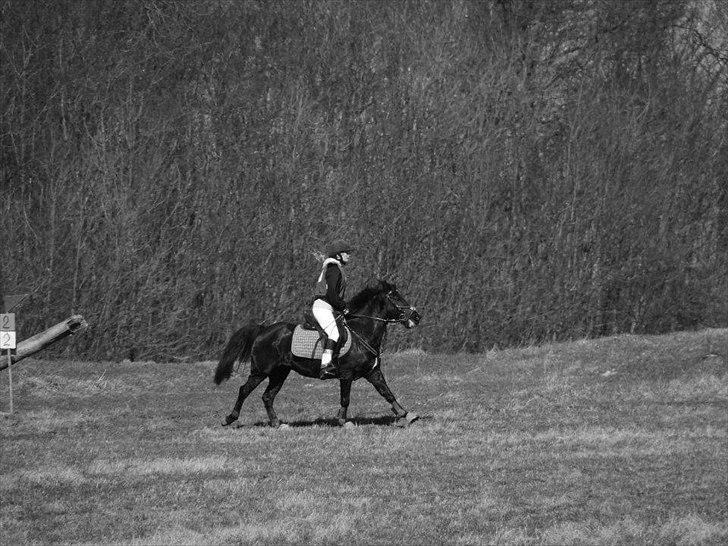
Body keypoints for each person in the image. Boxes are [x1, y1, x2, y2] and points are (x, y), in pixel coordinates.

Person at [312, 239, 351, 379]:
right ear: (338, 255)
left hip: (327, 307)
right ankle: (325, 366)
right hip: (323, 307)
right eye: (346, 253)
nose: (348, 255)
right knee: (334, 333)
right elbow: (332, 295)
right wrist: (343, 307)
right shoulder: (334, 269)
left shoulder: (334, 268)